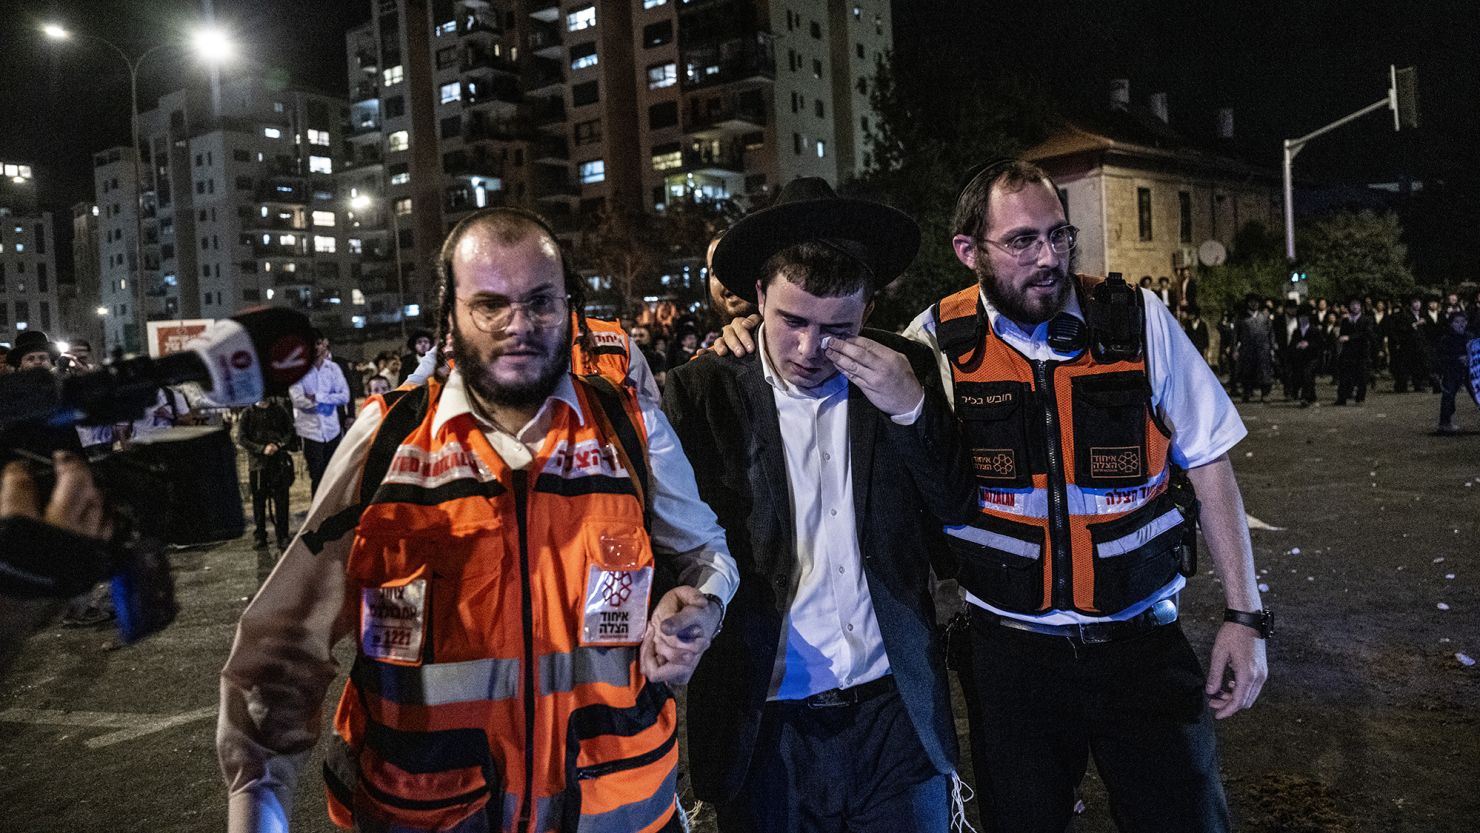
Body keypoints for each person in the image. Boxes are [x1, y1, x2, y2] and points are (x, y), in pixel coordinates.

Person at [707, 160, 1270, 833]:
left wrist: (1246, 613)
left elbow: (1209, 461)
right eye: (1022, 241)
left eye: (1059, 236)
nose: (1047, 258)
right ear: (968, 251)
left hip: (1141, 643)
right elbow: (827, 364)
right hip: (1011, 659)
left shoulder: (1135, 320)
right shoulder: (931, 346)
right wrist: (746, 339)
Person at [217, 206, 738, 833]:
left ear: (569, 307)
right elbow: (280, 655)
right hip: (431, 815)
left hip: (619, 813)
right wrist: (255, 806)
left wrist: (703, 606)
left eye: (541, 302)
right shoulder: (386, 446)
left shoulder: (630, 429)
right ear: (449, 317)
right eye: (490, 305)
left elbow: (707, 553)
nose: (519, 326)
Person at [663, 178, 976, 832]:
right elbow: (673, 548)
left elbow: (954, 520)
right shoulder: (704, 393)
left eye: (835, 328)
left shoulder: (904, 367)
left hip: (895, 718)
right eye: (792, 321)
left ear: (866, 313)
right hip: (764, 729)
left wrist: (912, 410)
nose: (809, 349)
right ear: (754, 300)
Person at [287, 330, 350, 496]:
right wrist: (328, 401)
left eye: (317, 343)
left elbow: (344, 396)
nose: (314, 348)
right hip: (310, 431)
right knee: (317, 475)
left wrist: (317, 397)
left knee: (334, 473)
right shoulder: (298, 369)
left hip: (332, 430)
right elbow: (298, 399)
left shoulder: (334, 368)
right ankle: (318, 513)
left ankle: (334, 512)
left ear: (324, 343)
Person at [236, 397, 296, 550]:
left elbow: (289, 431)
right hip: (258, 464)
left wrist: (278, 445)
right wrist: (261, 449)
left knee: (282, 500)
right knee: (259, 501)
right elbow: (242, 438)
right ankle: (260, 535)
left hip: (279, 462)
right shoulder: (248, 413)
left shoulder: (279, 410)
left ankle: (283, 535)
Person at [1436, 310, 1474, 433]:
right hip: (1452, 371)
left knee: (1477, 394)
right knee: (1449, 396)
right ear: (1451, 324)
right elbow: (1442, 357)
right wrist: (1457, 359)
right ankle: (1445, 423)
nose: (1460, 324)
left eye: (1463, 322)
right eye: (1457, 322)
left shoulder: (1470, 336)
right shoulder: (1446, 339)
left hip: (1469, 371)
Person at [1334, 298, 1376, 406]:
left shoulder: (1367, 319)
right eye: (1352, 304)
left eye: (1357, 304)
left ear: (1361, 306)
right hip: (1348, 352)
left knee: (1361, 376)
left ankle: (1360, 398)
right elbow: (1342, 334)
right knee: (1344, 375)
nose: (1355, 306)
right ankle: (1342, 397)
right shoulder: (1345, 320)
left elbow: (1366, 334)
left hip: (1361, 352)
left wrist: (1350, 337)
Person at [1234, 293, 1275, 402]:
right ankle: (1246, 393)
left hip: (1263, 349)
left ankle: (1265, 394)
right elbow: (1235, 335)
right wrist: (1234, 349)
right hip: (1247, 349)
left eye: (1256, 302)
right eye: (1252, 302)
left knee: (1264, 372)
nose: (1254, 304)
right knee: (1247, 372)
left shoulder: (1264, 317)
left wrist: (1272, 347)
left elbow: (1271, 333)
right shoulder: (1241, 318)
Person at [1386, 296, 1429, 393]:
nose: (1417, 304)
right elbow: (1402, 329)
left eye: (1418, 302)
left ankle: (1418, 384)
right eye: (1414, 302)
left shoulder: (1423, 314)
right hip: (1408, 344)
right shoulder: (1404, 315)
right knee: (1406, 366)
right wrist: (1416, 324)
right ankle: (1402, 386)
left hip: (1420, 344)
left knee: (1419, 365)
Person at [1285, 303, 1325, 406]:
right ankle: (1311, 396)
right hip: (1301, 358)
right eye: (1301, 317)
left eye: (1305, 317)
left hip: (1313, 358)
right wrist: (1297, 345)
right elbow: (1291, 345)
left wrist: (1308, 344)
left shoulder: (1314, 330)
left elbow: (1321, 343)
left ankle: (1305, 398)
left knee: (1308, 374)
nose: (1303, 319)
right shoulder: (1297, 331)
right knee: (1305, 377)